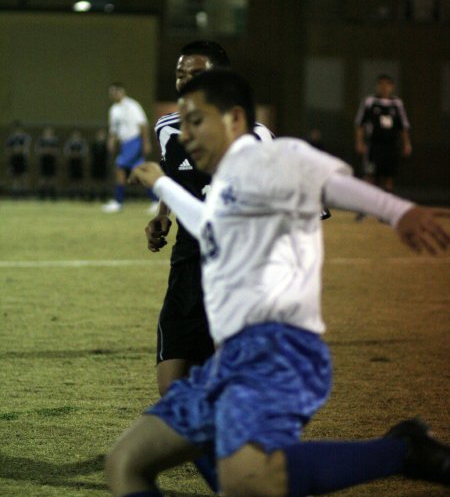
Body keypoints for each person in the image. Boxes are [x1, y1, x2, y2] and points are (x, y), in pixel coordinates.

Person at [106, 69, 450, 497]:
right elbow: (206, 225)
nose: (185, 134)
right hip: (228, 361)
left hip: (277, 350)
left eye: (197, 121)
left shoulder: (275, 157)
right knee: (127, 463)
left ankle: (402, 452)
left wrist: (399, 212)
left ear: (234, 119)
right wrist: (162, 185)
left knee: (249, 479)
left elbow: (332, 186)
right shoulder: (226, 184)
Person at [147, 41, 274, 400]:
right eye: (180, 75)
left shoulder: (256, 137)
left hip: (235, 278)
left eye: (196, 75)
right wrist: (162, 216)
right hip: (186, 269)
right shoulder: (168, 129)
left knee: (228, 395)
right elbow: (174, 178)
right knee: (172, 398)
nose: (185, 82)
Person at [102, 83, 157, 214]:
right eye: (112, 92)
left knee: (119, 167)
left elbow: (143, 124)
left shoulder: (132, 105)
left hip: (134, 142)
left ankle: (118, 202)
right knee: (141, 172)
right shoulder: (114, 109)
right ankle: (156, 201)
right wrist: (112, 141)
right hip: (124, 144)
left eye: (116, 91)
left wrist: (146, 142)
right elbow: (114, 129)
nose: (113, 94)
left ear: (122, 91)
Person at [355, 74, 412, 193]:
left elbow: (403, 126)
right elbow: (360, 123)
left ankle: (386, 206)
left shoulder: (397, 103)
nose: (384, 87)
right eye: (381, 84)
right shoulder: (370, 101)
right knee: (369, 175)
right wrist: (359, 142)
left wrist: (407, 143)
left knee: (389, 177)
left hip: (391, 145)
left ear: (392, 87)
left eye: (387, 84)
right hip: (374, 145)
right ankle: (366, 205)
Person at [5, 120, 32, 197]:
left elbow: (26, 148)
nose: (17, 130)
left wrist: (19, 149)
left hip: (22, 158)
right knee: (15, 176)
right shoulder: (11, 138)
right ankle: (15, 194)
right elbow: (8, 150)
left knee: (24, 176)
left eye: (18, 128)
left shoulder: (25, 137)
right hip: (14, 159)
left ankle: (24, 193)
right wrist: (14, 150)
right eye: (16, 128)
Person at [35, 126, 60, 200]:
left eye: (50, 131)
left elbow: (57, 151)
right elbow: (37, 150)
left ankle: (53, 195)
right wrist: (45, 151)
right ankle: (41, 195)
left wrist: (51, 151)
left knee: (52, 178)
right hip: (44, 160)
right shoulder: (41, 140)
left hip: (52, 160)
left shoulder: (55, 140)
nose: (48, 133)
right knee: (43, 178)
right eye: (47, 131)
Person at [63, 128, 88, 199]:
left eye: (77, 135)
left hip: (79, 163)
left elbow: (84, 153)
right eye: (75, 135)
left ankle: (79, 193)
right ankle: (71, 193)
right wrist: (75, 154)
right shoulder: (69, 143)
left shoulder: (82, 143)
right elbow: (66, 152)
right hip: (71, 163)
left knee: (79, 179)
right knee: (71, 178)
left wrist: (75, 154)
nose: (76, 136)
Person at [89, 128, 109, 201]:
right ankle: (93, 195)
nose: (101, 136)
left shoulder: (106, 145)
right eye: (100, 134)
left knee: (103, 180)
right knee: (95, 180)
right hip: (95, 164)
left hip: (103, 164)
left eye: (103, 134)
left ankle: (102, 196)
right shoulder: (94, 144)